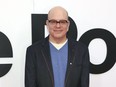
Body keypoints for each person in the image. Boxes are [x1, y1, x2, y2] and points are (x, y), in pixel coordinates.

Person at [25, 6, 90, 87]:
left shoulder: (81, 50)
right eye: (53, 21)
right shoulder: (33, 51)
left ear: (68, 24)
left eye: (62, 22)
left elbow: (84, 84)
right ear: (47, 24)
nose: (58, 26)